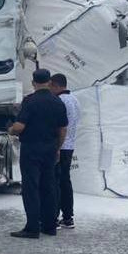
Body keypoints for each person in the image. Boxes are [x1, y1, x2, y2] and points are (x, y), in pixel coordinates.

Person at [8, 68, 69, 238]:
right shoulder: (58, 102)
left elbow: (20, 127)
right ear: (49, 82)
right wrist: (58, 148)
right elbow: (63, 129)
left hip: (31, 149)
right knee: (49, 186)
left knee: (31, 187)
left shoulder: (30, 101)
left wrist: (11, 130)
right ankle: (49, 226)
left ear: (33, 83)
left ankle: (32, 227)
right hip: (50, 149)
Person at [49, 73, 80, 229]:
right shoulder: (74, 99)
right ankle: (68, 217)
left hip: (60, 146)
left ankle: (53, 218)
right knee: (65, 181)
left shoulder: (59, 101)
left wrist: (56, 147)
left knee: (55, 182)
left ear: (55, 85)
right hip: (70, 145)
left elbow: (58, 126)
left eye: (50, 86)